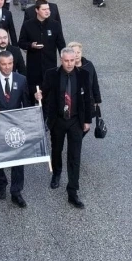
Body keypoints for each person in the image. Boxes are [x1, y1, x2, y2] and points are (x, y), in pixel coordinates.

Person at [0, 50, 39, 208]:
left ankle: (16, 192)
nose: (7, 67)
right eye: (4, 64)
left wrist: (29, 120)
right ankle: (1, 184)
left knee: (17, 159)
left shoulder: (21, 80)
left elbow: (26, 103)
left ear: (13, 64)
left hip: (16, 126)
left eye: (10, 64)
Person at [40, 48, 95, 209]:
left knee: (74, 156)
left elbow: (87, 99)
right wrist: (39, 95)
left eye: (72, 60)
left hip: (76, 121)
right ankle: (56, 173)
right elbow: (44, 92)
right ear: (61, 60)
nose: (69, 63)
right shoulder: (52, 74)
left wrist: (87, 120)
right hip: (57, 120)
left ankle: (73, 191)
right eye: (66, 61)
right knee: (56, 150)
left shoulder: (83, 75)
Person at [19, 0, 65, 103]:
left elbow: (61, 44)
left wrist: (64, 58)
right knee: (33, 94)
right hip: (33, 67)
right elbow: (21, 42)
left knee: (49, 95)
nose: (47, 11)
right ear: (37, 10)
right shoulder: (28, 25)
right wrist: (31, 45)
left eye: (48, 9)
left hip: (50, 66)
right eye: (44, 9)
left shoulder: (55, 25)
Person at [68, 42, 102, 111]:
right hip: (73, 105)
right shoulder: (66, 68)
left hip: (88, 103)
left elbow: (94, 83)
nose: (77, 55)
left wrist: (97, 100)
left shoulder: (89, 65)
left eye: (78, 52)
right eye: (74, 52)